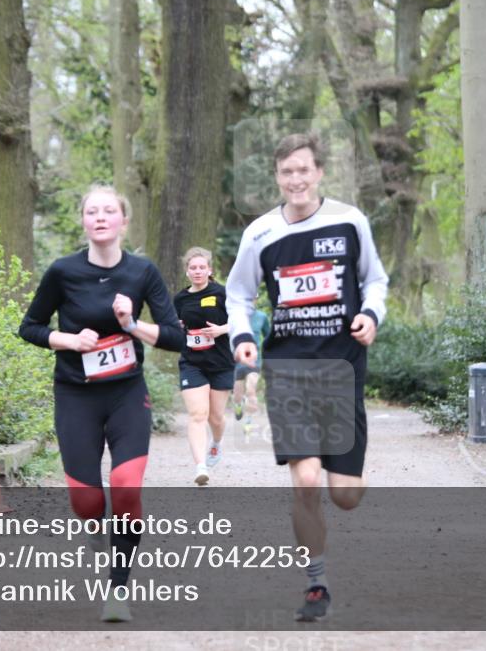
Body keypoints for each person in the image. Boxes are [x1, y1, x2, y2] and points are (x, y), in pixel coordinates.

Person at [226, 132, 388, 622]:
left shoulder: (349, 220)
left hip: (341, 368)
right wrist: (241, 338)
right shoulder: (259, 234)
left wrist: (371, 315)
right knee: (305, 482)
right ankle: (316, 583)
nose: (295, 179)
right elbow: (238, 295)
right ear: (277, 177)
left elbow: (375, 278)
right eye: (286, 171)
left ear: (319, 173)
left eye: (303, 169)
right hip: (289, 369)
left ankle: (350, 476)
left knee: (346, 495)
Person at [18, 184, 184, 623]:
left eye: (109, 211)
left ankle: (117, 588)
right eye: (92, 211)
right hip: (76, 394)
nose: (101, 217)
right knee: (87, 503)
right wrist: (69, 340)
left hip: (127, 393)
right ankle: (96, 531)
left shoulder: (142, 272)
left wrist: (133, 324)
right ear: (83, 221)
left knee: (127, 487)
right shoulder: (63, 271)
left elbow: (176, 336)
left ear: (124, 221)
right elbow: (30, 327)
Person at [172, 247, 234, 485]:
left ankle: (216, 444)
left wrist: (222, 329)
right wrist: (176, 327)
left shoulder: (222, 293)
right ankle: (200, 466)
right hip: (192, 362)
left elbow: (242, 318)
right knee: (198, 414)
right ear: (187, 272)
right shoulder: (180, 298)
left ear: (210, 270)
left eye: (201, 267)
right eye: (193, 268)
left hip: (220, 362)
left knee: (215, 417)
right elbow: (177, 327)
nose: (197, 271)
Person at [231, 300, 271, 433]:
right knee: (237, 394)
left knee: (251, 390)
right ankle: (238, 405)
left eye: (253, 298)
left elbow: (269, 337)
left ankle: (248, 421)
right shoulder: (234, 316)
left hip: (255, 361)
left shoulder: (261, 316)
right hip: (237, 361)